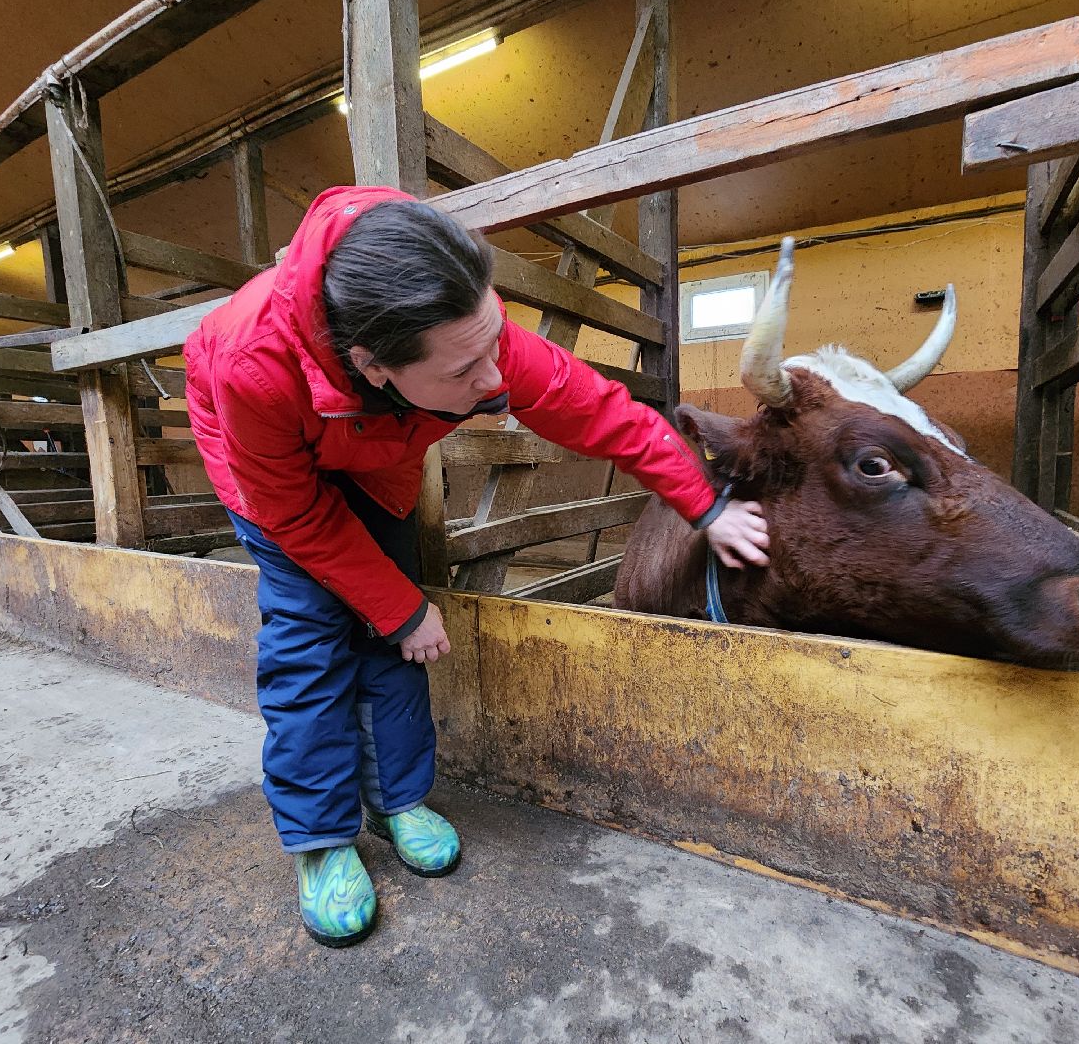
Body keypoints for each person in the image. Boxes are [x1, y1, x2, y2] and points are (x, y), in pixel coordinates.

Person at [183, 185, 770, 947]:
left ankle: (397, 799)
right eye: (468, 369)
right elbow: (295, 514)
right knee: (308, 635)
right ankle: (321, 840)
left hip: (375, 449)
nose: (496, 381)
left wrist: (706, 505)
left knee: (395, 638)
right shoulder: (251, 365)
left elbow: (600, 409)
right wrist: (397, 604)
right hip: (272, 472)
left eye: (495, 341)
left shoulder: (461, 330)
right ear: (374, 363)